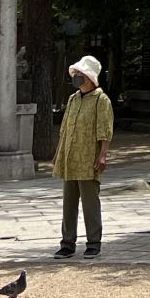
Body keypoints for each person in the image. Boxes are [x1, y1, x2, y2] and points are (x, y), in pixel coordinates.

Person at [53, 55, 114, 258]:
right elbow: (64, 129)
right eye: (76, 73)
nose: (76, 76)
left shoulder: (101, 100)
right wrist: (58, 153)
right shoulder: (73, 99)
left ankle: (93, 242)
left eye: (80, 73)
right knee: (68, 204)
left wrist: (103, 155)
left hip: (89, 159)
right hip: (70, 158)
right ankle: (67, 243)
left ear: (89, 76)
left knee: (90, 204)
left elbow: (104, 131)